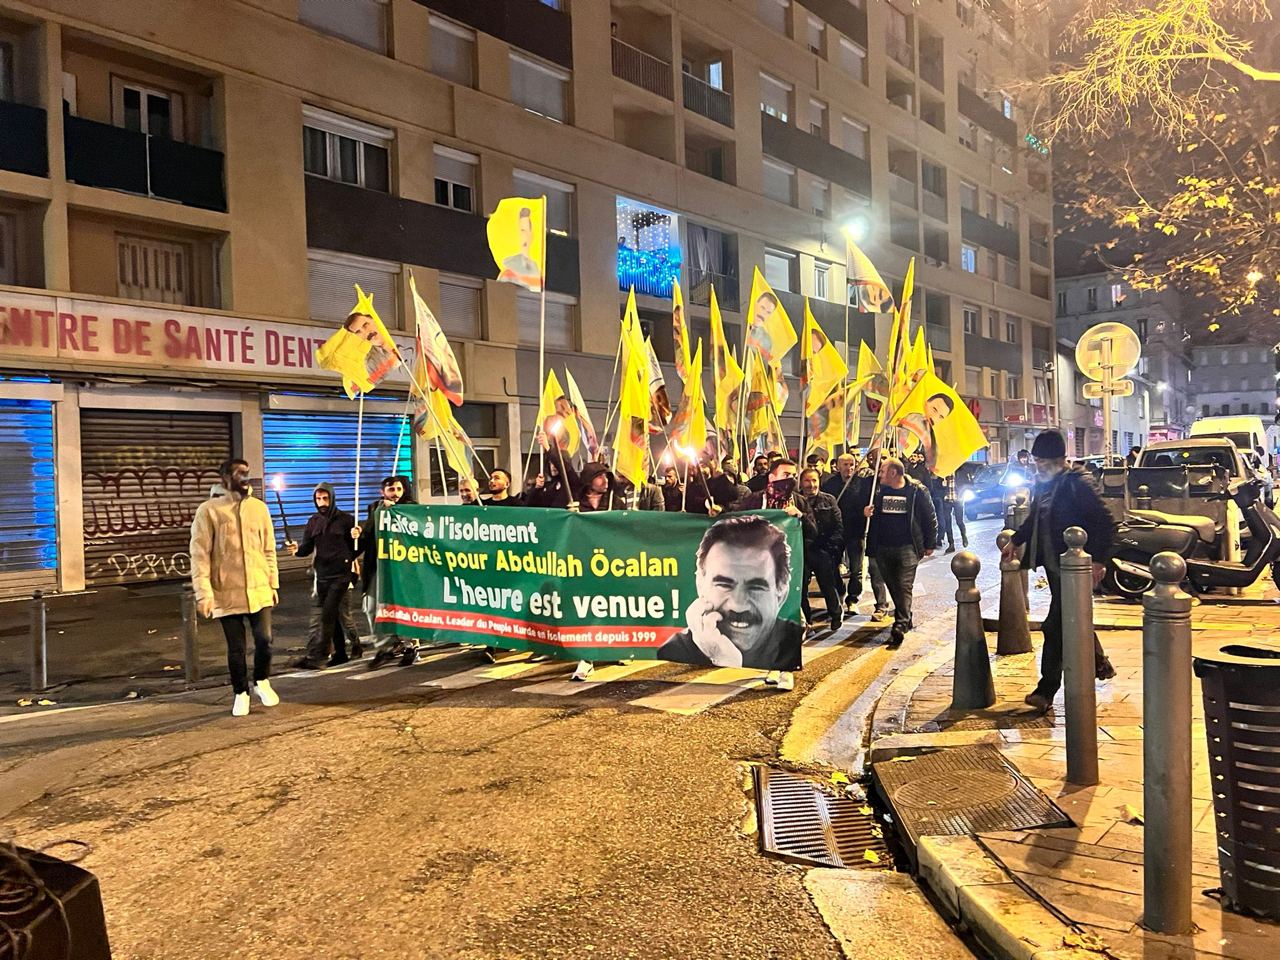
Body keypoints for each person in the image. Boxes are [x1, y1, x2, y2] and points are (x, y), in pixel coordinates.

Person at [1005, 430, 1117, 713]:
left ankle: (1046, 690)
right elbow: (1035, 518)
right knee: (1072, 617)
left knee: (1054, 626)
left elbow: (1105, 523)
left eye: (1042, 461)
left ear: (1058, 460)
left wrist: (1098, 560)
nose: (1038, 466)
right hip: (1055, 567)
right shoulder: (1045, 485)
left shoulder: (1077, 485)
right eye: (1036, 461)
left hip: (1075, 568)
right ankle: (1099, 662)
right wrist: (1015, 541)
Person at [657, 514, 803, 683]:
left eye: (756, 587)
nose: (738, 605)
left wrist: (800, 517)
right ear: (700, 584)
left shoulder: (791, 643)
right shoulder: (674, 650)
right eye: (724, 584)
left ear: (781, 593)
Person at [189, 459, 281, 717]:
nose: (245, 477)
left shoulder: (259, 508)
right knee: (237, 648)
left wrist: (273, 583)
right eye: (239, 473)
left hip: (259, 588)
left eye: (247, 473)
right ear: (225, 478)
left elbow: (269, 549)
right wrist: (203, 593)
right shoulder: (208, 510)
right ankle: (241, 692)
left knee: (265, 639)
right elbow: (199, 555)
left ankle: (261, 680)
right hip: (225, 591)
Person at [726, 458, 816, 690]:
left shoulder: (799, 501)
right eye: (786, 474)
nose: (791, 479)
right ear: (772, 477)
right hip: (758, 570)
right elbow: (734, 522)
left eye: (793, 475)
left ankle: (786, 668)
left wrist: (801, 517)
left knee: (793, 618)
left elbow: (814, 532)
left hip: (789, 570)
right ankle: (774, 665)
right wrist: (716, 514)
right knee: (769, 617)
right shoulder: (754, 500)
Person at [863, 456, 937, 646]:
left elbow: (930, 517)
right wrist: (868, 513)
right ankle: (906, 616)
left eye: (883, 471)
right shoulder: (879, 491)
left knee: (904, 586)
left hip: (908, 547)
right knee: (893, 585)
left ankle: (900, 624)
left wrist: (930, 543)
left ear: (893, 473)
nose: (880, 474)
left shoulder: (917, 491)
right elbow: (875, 516)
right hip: (883, 547)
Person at [288, 482, 358, 669]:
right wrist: (296, 550)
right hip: (322, 576)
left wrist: (356, 537)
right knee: (333, 616)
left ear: (332, 498)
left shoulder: (346, 520)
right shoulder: (313, 521)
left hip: (341, 576)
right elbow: (307, 547)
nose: (322, 503)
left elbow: (357, 547)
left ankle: (317, 657)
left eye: (325, 498)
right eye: (318, 499)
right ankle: (341, 653)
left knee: (327, 615)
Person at [355, 475, 419, 669]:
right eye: (391, 489)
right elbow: (367, 535)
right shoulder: (375, 508)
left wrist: (396, 512)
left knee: (403, 607)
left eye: (399, 489)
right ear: (382, 492)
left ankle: (411, 647)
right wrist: (357, 534)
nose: (396, 493)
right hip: (377, 567)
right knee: (371, 607)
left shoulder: (412, 508)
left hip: (402, 568)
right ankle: (385, 648)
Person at [822, 453, 888, 619]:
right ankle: (840, 591)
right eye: (845, 464)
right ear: (838, 466)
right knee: (832, 567)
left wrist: (865, 512)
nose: (849, 468)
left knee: (856, 569)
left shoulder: (864, 483)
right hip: (836, 532)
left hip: (856, 531)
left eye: (852, 464)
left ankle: (853, 598)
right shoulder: (830, 485)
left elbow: (879, 477)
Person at [798, 468, 844, 631]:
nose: (811, 485)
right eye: (807, 481)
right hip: (802, 550)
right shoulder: (795, 501)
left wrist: (832, 548)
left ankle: (836, 614)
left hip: (822, 549)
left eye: (814, 480)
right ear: (801, 483)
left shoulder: (828, 500)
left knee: (827, 585)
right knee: (801, 588)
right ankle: (807, 620)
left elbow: (838, 526)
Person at [498, 206, 542, 290]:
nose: (524, 235)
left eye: (526, 231)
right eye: (521, 231)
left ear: (531, 235)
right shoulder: (509, 272)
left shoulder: (537, 268)